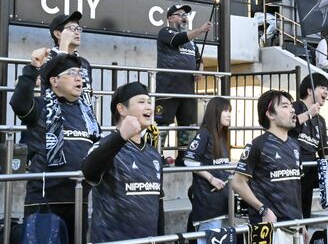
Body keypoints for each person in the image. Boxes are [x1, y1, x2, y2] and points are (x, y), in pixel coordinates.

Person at [10, 51, 101, 243]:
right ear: (54, 80)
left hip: (79, 198)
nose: (79, 78)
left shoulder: (87, 114)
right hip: (45, 201)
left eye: (80, 74)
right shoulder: (41, 106)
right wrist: (32, 69)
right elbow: (19, 103)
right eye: (72, 73)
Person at [82, 82, 163, 242]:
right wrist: (121, 136)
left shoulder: (153, 154)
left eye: (149, 102)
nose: (149, 107)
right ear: (122, 109)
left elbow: (158, 203)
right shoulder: (105, 146)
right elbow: (88, 171)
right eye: (141, 102)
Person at [232, 90, 306, 241]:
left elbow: (295, 189)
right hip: (268, 228)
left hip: (295, 227)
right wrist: (263, 210)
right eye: (285, 106)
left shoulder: (295, 146)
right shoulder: (257, 145)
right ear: (270, 114)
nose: (292, 110)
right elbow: (237, 183)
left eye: (291, 106)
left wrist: (302, 222)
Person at [155, 4, 213, 165]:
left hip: (187, 91)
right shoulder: (165, 32)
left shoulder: (192, 42)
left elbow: (199, 60)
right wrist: (201, 30)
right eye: (180, 14)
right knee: (162, 125)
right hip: (167, 90)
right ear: (170, 18)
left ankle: (182, 157)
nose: (184, 17)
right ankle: (156, 155)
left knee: (187, 127)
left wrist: (200, 70)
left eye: (185, 15)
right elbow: (177, 39)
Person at [183, 97, 232, 241]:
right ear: (215, 112)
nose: (229, 114)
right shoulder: (204, 133)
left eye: (230, 111)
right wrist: (211, 178)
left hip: (222, 202)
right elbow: (189, 160)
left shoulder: (221, 136)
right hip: (208, 204)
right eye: (225, 111)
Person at [289, 74, 328, 218]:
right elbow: (287, 124)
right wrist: (308, 114)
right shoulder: (294, 107)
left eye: (327, 89)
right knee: (298, 212)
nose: (326, 92)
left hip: (312, 168)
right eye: (322, 88)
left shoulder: (321, 120)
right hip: (294, 166)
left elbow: (324, 148)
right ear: (309, 90)